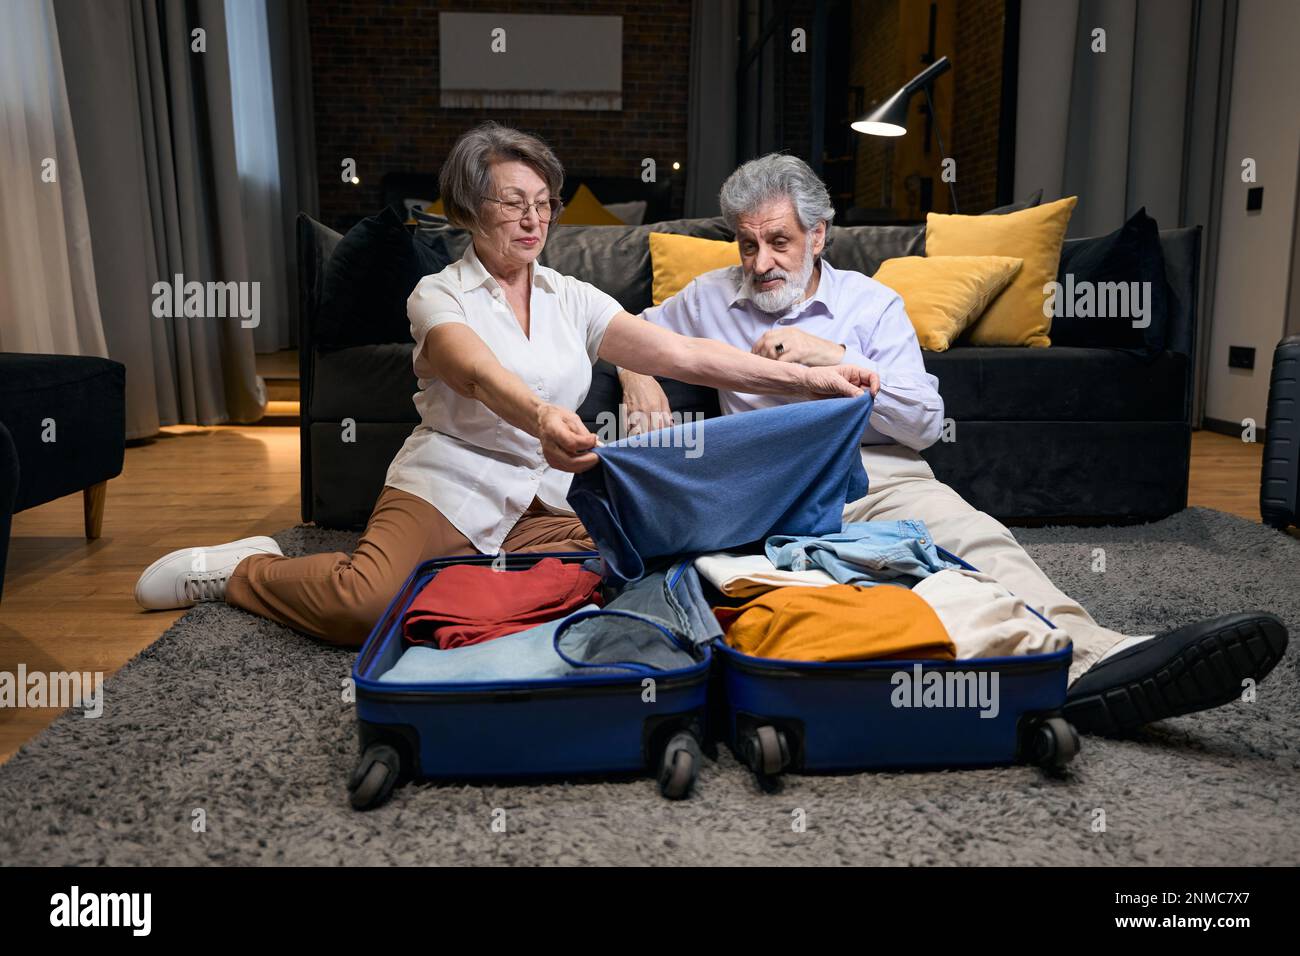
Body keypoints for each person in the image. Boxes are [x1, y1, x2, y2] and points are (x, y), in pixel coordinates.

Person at [619, 153, 1288, 736]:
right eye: (746, 244)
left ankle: (1094, 658)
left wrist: (835, 357)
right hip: (767, 490)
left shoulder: (870, 306)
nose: (760, 263)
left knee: (975, 541)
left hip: (876, 472)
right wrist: (637, 376)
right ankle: (1019, 669)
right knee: (861, 595)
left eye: (778, 242)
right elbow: (622, 328)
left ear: (818, 235)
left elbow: (923, 424)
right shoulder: (711, 296)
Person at [133, 124, 876, 647]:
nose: (533, 216)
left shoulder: (571, 296)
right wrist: (545, 414)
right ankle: (242, 572)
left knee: (640, 572)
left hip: (547, 495)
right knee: (365, 606)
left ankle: (473, 576)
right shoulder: (437, 296)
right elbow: (478, 375)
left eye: (543, 200)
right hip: (451, 479)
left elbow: (687, 354)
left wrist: (804, 379)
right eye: (512, 200)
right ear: (466, 209)